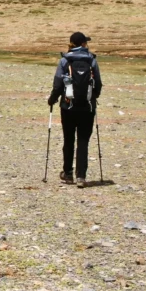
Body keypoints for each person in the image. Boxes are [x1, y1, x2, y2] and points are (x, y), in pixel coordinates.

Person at [47, 32, 103, 188]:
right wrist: (92, 98)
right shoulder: (91, 60)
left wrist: (52, 99)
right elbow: (98, 84)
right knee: (83, 141)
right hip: (87, 107)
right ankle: (81, 177)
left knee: (69, 139)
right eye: (86, 42)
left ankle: (68, 173)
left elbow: (58, 84)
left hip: (68, 107)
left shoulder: (65, 60)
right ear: (83, 44)